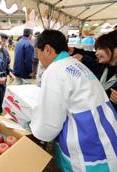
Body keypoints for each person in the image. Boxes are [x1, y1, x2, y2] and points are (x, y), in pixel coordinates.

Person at [29, 30, 116, 172]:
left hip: (87, 143)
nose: (38, 57)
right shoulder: (75, 64)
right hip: (104, 134)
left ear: (48, 49)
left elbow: (49, 123)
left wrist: (34, 126)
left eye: (38, 52)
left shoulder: (55, 70)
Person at [69, 30, 117, 112]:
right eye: (96, 49)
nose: (96, 53)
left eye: (101, 48)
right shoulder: (104, 68)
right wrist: (75, 51)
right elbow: (90, 54)